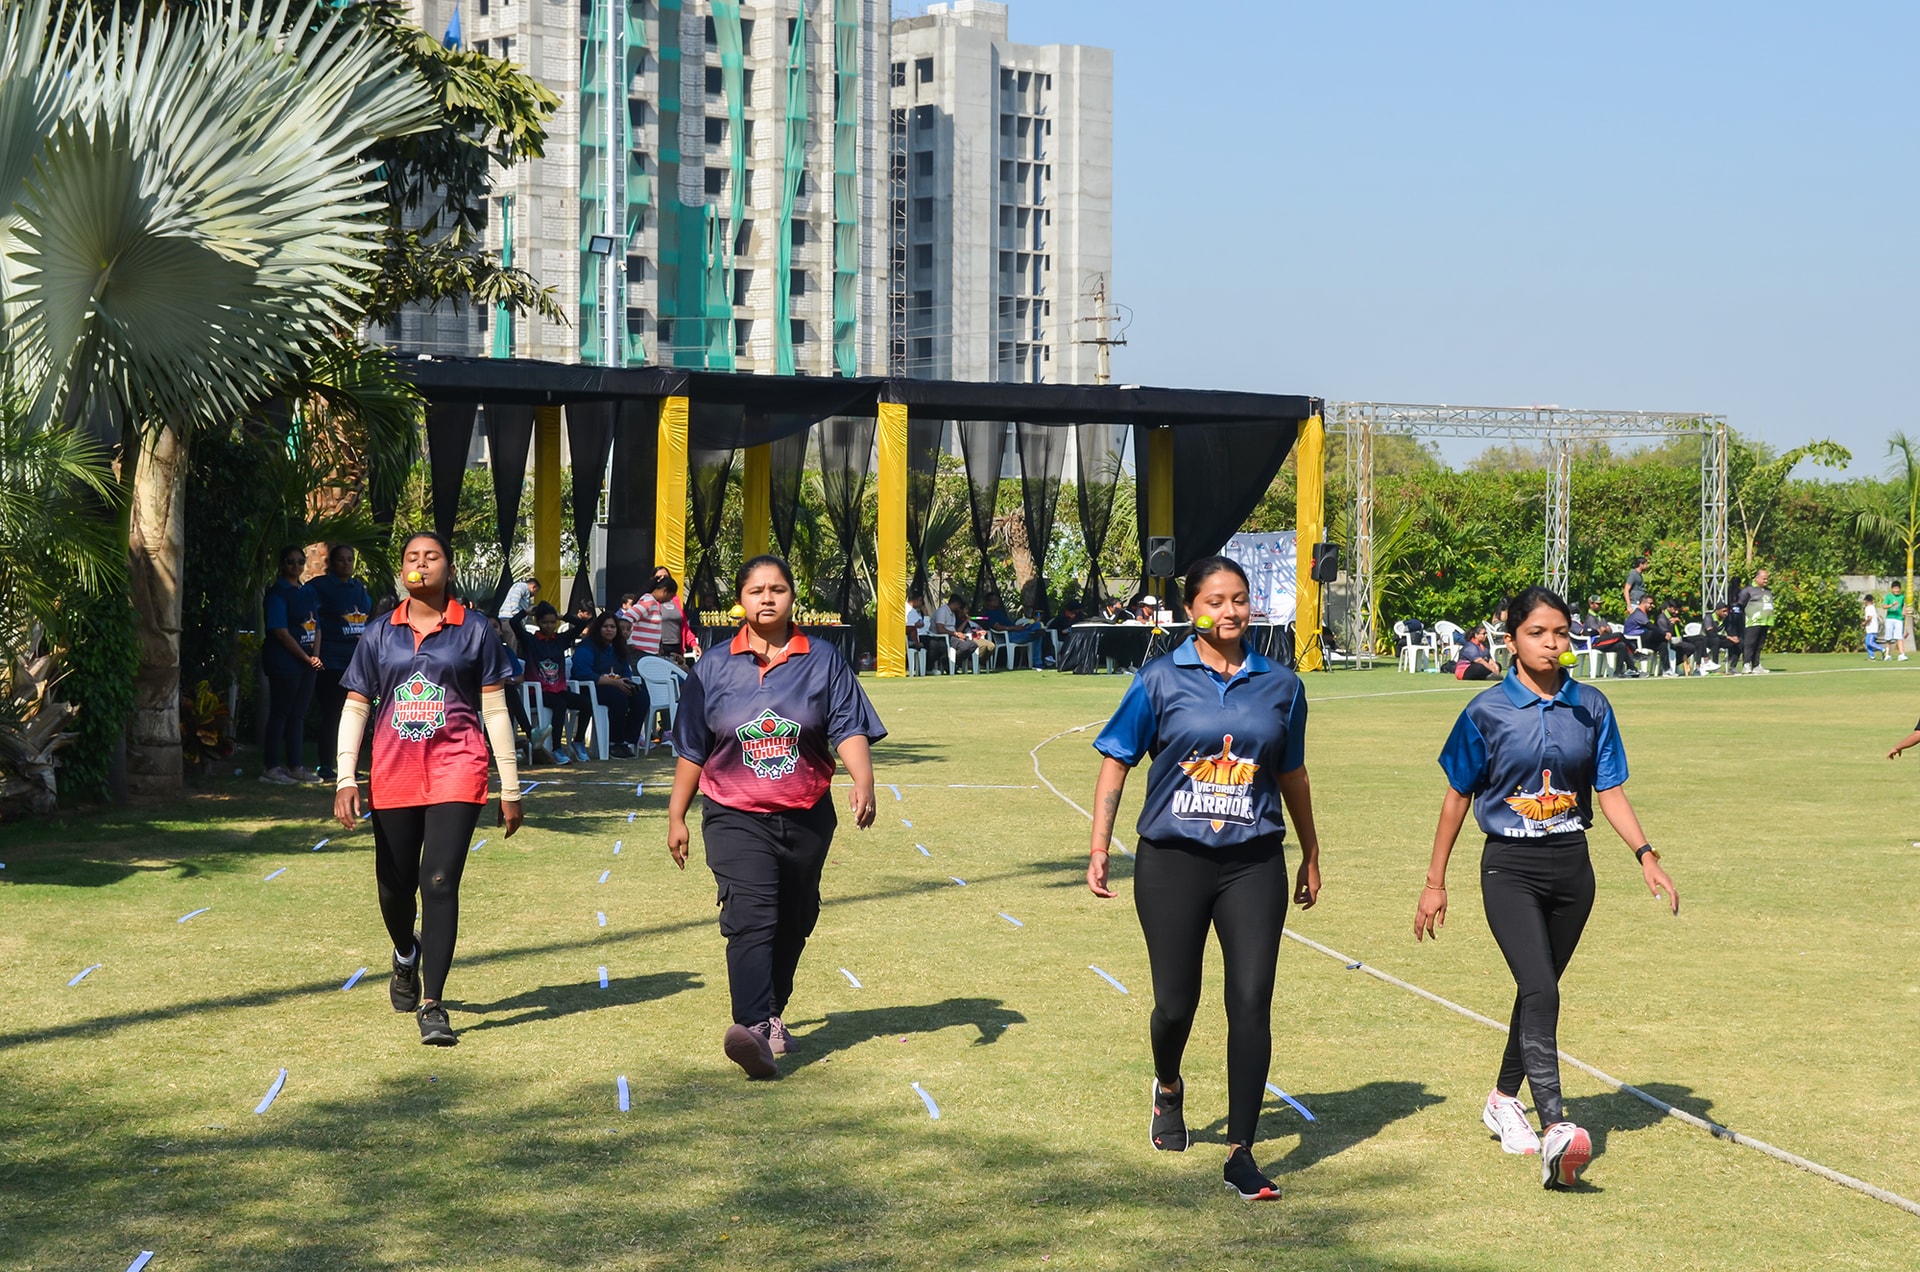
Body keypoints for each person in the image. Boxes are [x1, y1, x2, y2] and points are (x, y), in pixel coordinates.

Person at [1415, 585, 1679, 1191]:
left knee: (1540, 992)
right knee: (1539, 988)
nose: (1552, 643)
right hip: (1508, 868)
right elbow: (1457, 797)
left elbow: (1609, 788)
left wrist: (1646, 855)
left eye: (1561, 633)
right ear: (1512, 640)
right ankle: (1556, 1126)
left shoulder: (1592, 705)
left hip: (1573, 869)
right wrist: (1436, 882)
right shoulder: (1484, 711)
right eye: (1538, 633)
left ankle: (1504, 1098)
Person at [1085, 556, 1323, 1202]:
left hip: (1253, 863)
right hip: (1172, 862)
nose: (1229, 611)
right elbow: (1116, 760)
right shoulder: (1159, 679)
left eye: (1239, 599)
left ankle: (1241, 1151)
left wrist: (1311, 850)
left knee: (1250, 999)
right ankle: (1168, 1085)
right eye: (1215, 600)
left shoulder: (1282, 685)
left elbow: (1293, 774)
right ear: (1192, 608)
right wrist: (1100, 843)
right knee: (1175, 1005)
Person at [666, 555, 886, 1078]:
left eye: (778, 589)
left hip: (808, 813)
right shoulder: (713, 667)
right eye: (756, 590)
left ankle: (770, 1013)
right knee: (751, 914)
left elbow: (847, 725)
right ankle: (753, 1032)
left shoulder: (824, 660)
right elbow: (692, 748)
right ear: (739, 601)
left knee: (794, 917)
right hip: (733, 813)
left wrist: (864, 780)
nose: (767, 598)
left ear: (793, 598)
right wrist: (676, 814)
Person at [332, 531, 523, 1046]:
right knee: (395, 888)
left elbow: (495, 710)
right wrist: (346, 776)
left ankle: (434, 1005)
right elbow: (356, 706)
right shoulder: (377, 634)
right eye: (412, 557)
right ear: (402, 569)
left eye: (431, 556)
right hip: (392, 774)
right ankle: (404, 954)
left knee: (438, 882)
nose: (421, 564)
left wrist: (511, 786)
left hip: (457, 771)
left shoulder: (477, 630)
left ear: (449, 566)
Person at [261, 545, 323, 785]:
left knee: (298, 715)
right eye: (290, 562)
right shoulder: (277, 593)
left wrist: (315, 656)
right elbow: (281, 633)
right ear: (281, 564)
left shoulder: (307, 592)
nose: (295, 566)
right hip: (285, 662)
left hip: (307, 663)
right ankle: (271, 767)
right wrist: (305, 658)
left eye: (300, 561)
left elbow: (317, 625)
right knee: (280, 713)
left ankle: (295, 766)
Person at [310, 544, 373, 783]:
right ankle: (326, 765)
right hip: (331, 659)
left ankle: (349, 765)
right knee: (333, 714)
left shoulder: (359, 589)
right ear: (331, 563)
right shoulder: (319, 587)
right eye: (341, 560)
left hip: (356, 661)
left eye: (350, 559)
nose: (346, 564)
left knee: (355, 714)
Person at [514, 602, 591, 763]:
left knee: (586, 703)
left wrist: (563, 616)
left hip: (558, 689)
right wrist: (526, 612)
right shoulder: (530, 640)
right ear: (537, 622)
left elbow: (582, 624)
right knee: (560, 703)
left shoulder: (560, 640)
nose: (549, 626)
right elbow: (514, 623)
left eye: (552, 622)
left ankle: (578, 742)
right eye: (544, 622)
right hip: (537, 693)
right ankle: (557, 748)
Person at [571, 610, 649, 757]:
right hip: (593, 688)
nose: (609, 630)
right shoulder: (587, 647)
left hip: (617, 685)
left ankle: (627, 740)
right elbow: (583, 674)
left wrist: (625, 682)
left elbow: (626, 671)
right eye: (605, 626)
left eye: (612, 627)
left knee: (642, 697)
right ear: (598, 628)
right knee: (618, 699)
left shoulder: (618, 647)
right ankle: (613, 742)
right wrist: (614, 683)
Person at [1733, 569, 1775, 674]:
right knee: (1749, 644)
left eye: (1767, 579)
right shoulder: (1748, 590)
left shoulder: (1768, 590)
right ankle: (1746, 665)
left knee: (1759, 645)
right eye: (1764, 578)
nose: (1766, 581)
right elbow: (1740, 605)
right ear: (1756, 578)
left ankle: (1756, 665)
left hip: (1765, 621)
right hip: (1752, 621)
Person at [933, 593, 994, 666]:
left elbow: (954, 628)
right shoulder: (942, 611)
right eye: (959, 606)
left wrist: (959, 635)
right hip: (944, 637)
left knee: (973, 645)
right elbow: (940, 629)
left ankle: (952, 663)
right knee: (965, 647)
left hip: (953, 636)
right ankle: (949, 662)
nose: (959, 608)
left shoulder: (952, 613)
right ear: (956, 604)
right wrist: (956, 634)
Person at [1883, 581, 1909, 662]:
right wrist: (1891, 605)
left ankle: (1901, 655)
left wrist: (1905, 612)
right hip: (1889, 618)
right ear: (1892, 589)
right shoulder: (1888, 596)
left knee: (1899, 637)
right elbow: (1884, 606)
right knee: (1888, 637)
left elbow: (1904, 606)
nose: (1896, 590)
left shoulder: (1902, 597)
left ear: (1900, 589)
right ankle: (1887, 655)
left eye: (1898, 588)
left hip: (1899, 619)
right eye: (1895, 588)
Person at [1865, 595, 1887, 662]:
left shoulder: (1868, 608)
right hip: (1870, 628)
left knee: (1870, 642)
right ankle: (1872, 656)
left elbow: (1869, 617)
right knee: (1867, 642)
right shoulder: (1872, 607)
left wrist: (1864, 623)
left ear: (1866, 601)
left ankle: (1882, 649)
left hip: (1872, 628)